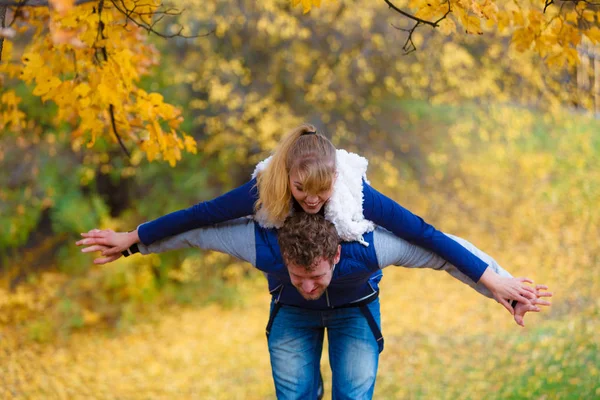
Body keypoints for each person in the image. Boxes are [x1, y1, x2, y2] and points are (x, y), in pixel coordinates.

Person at [78, 213, 552, 400]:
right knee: (296, 396)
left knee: (353, 395)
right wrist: (134, 242)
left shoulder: (371, 245)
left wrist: (499, 283)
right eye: (298, 274)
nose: (308, 284)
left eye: (316, 275)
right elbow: (193, 230)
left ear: (337, 256)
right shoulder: (258, 243)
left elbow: (446, 249)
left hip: (355, 313)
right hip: (290, 318)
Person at [84, 123, 537, 310]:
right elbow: (200, 218)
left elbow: (427, 236)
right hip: (289, 289)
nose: (311, 200)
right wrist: (134, 238)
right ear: (286, 180)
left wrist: (492, 281)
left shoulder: (357, 197)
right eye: (301, 190)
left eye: (319, 191)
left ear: (334, 182)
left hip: (353, 277)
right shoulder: (266, 191)